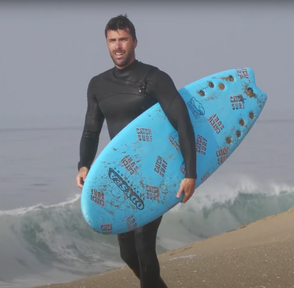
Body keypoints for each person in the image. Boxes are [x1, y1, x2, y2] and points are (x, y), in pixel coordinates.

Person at [75, 14, 197, 288]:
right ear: (107, 44)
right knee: (127, 252)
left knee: (143, 243)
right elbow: (90, 131)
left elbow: (182, 122)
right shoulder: (98, 85)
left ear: (135, 42)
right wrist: (84, 165)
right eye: (112, 41)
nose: (118, 46)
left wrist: (191, 173)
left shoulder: (154, 78)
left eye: (123, 39)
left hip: (155, 173)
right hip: (122, 176)